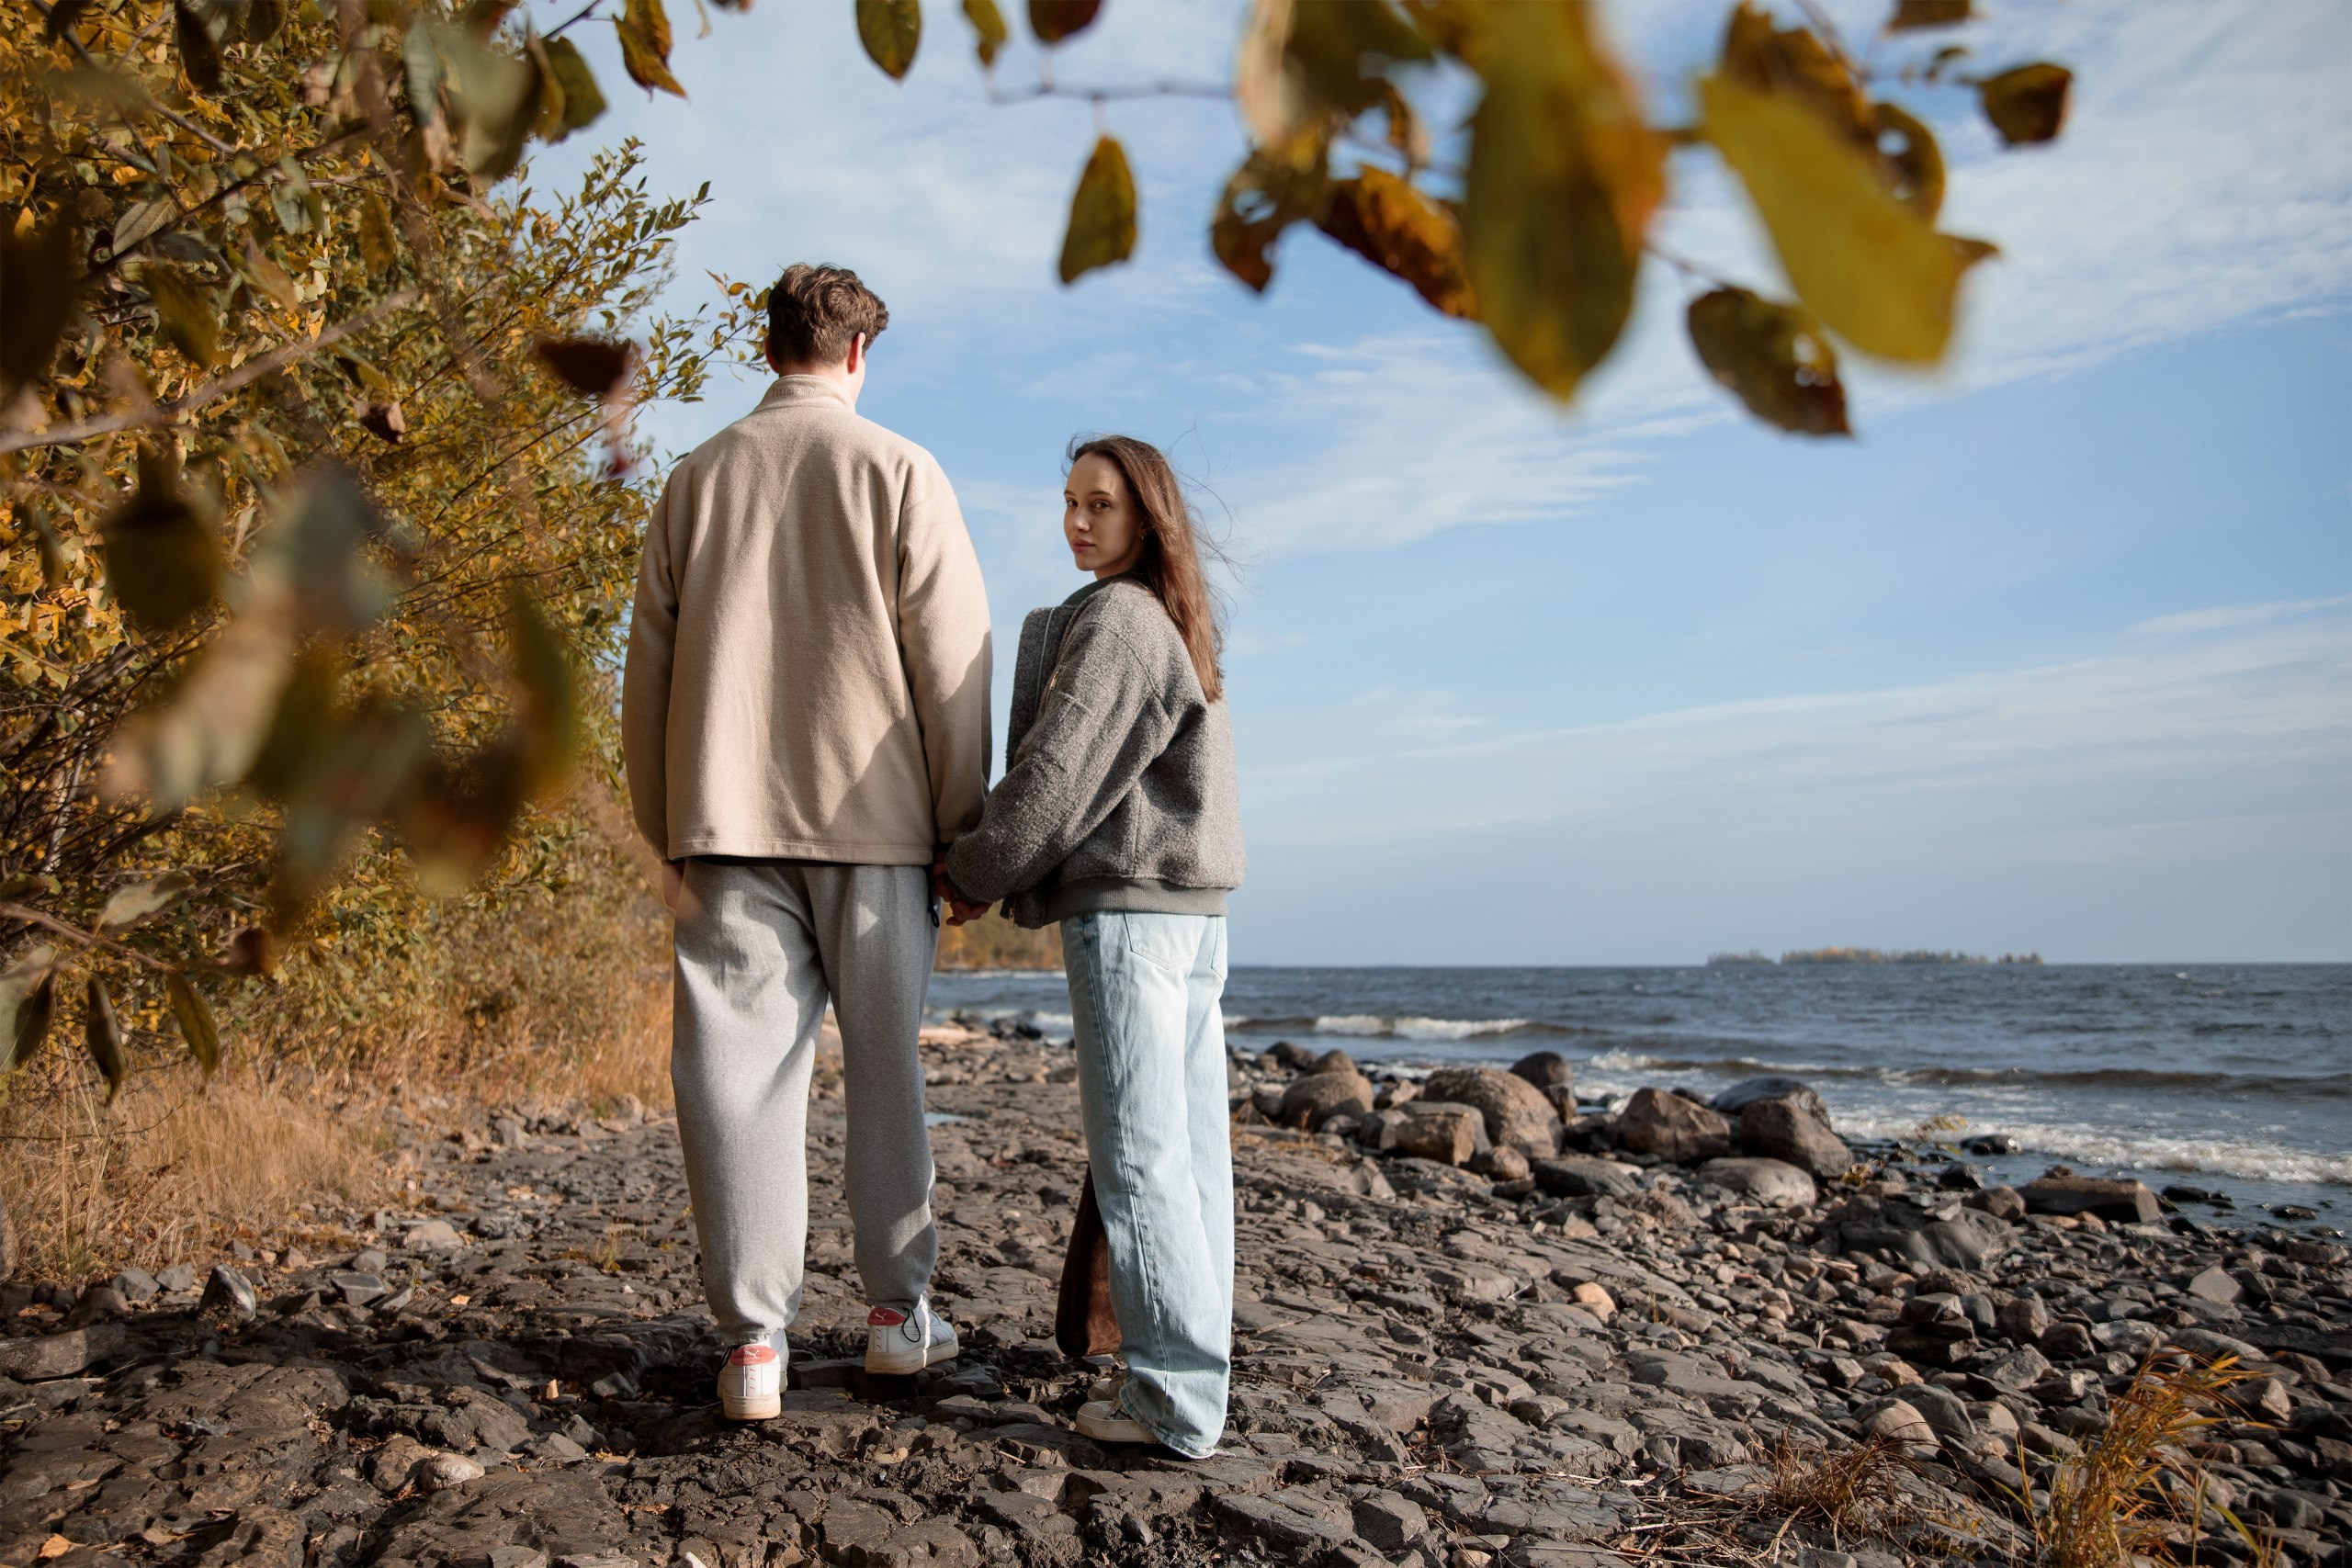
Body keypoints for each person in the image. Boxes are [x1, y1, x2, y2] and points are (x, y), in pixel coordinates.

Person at [622, 264, 990, 1421]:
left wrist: (663, 828)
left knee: (731, 1082)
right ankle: (894, 1319)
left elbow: (648, 678)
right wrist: (958, 829)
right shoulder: (899, 470)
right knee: (888, 1072)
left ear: (770, 344)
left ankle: (753, 1348)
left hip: (723, 826)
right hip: (878, 831)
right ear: (858, 351)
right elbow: (955, 667)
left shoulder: (695, 479)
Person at [938, 435, 1244, 1458]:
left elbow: (1056, 773)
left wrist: (972, 871)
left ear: (1145, 517)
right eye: (1068, 502)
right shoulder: (1175, 623)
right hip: (1194, 918)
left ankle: (1172, 1402)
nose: (1076, 522)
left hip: (1130, 919)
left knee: (1142, 1157)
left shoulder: (1117, 619)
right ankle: (1193, 1377)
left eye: (1099, 505)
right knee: (1192, 1159)